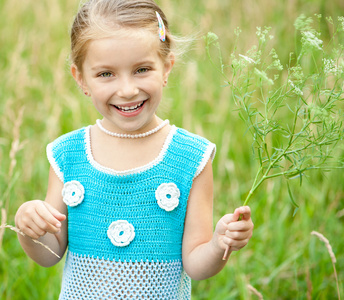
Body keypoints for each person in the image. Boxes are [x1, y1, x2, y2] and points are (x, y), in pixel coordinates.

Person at [14, 0, 254, 298]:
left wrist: (220, 243)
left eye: (141, 69)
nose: (127, 90)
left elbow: (195, 264)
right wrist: (28, 227)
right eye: (106, 74)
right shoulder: (68, 154)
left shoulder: (191, 158)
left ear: (166, 68)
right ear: (81, 79)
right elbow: (49, 255)